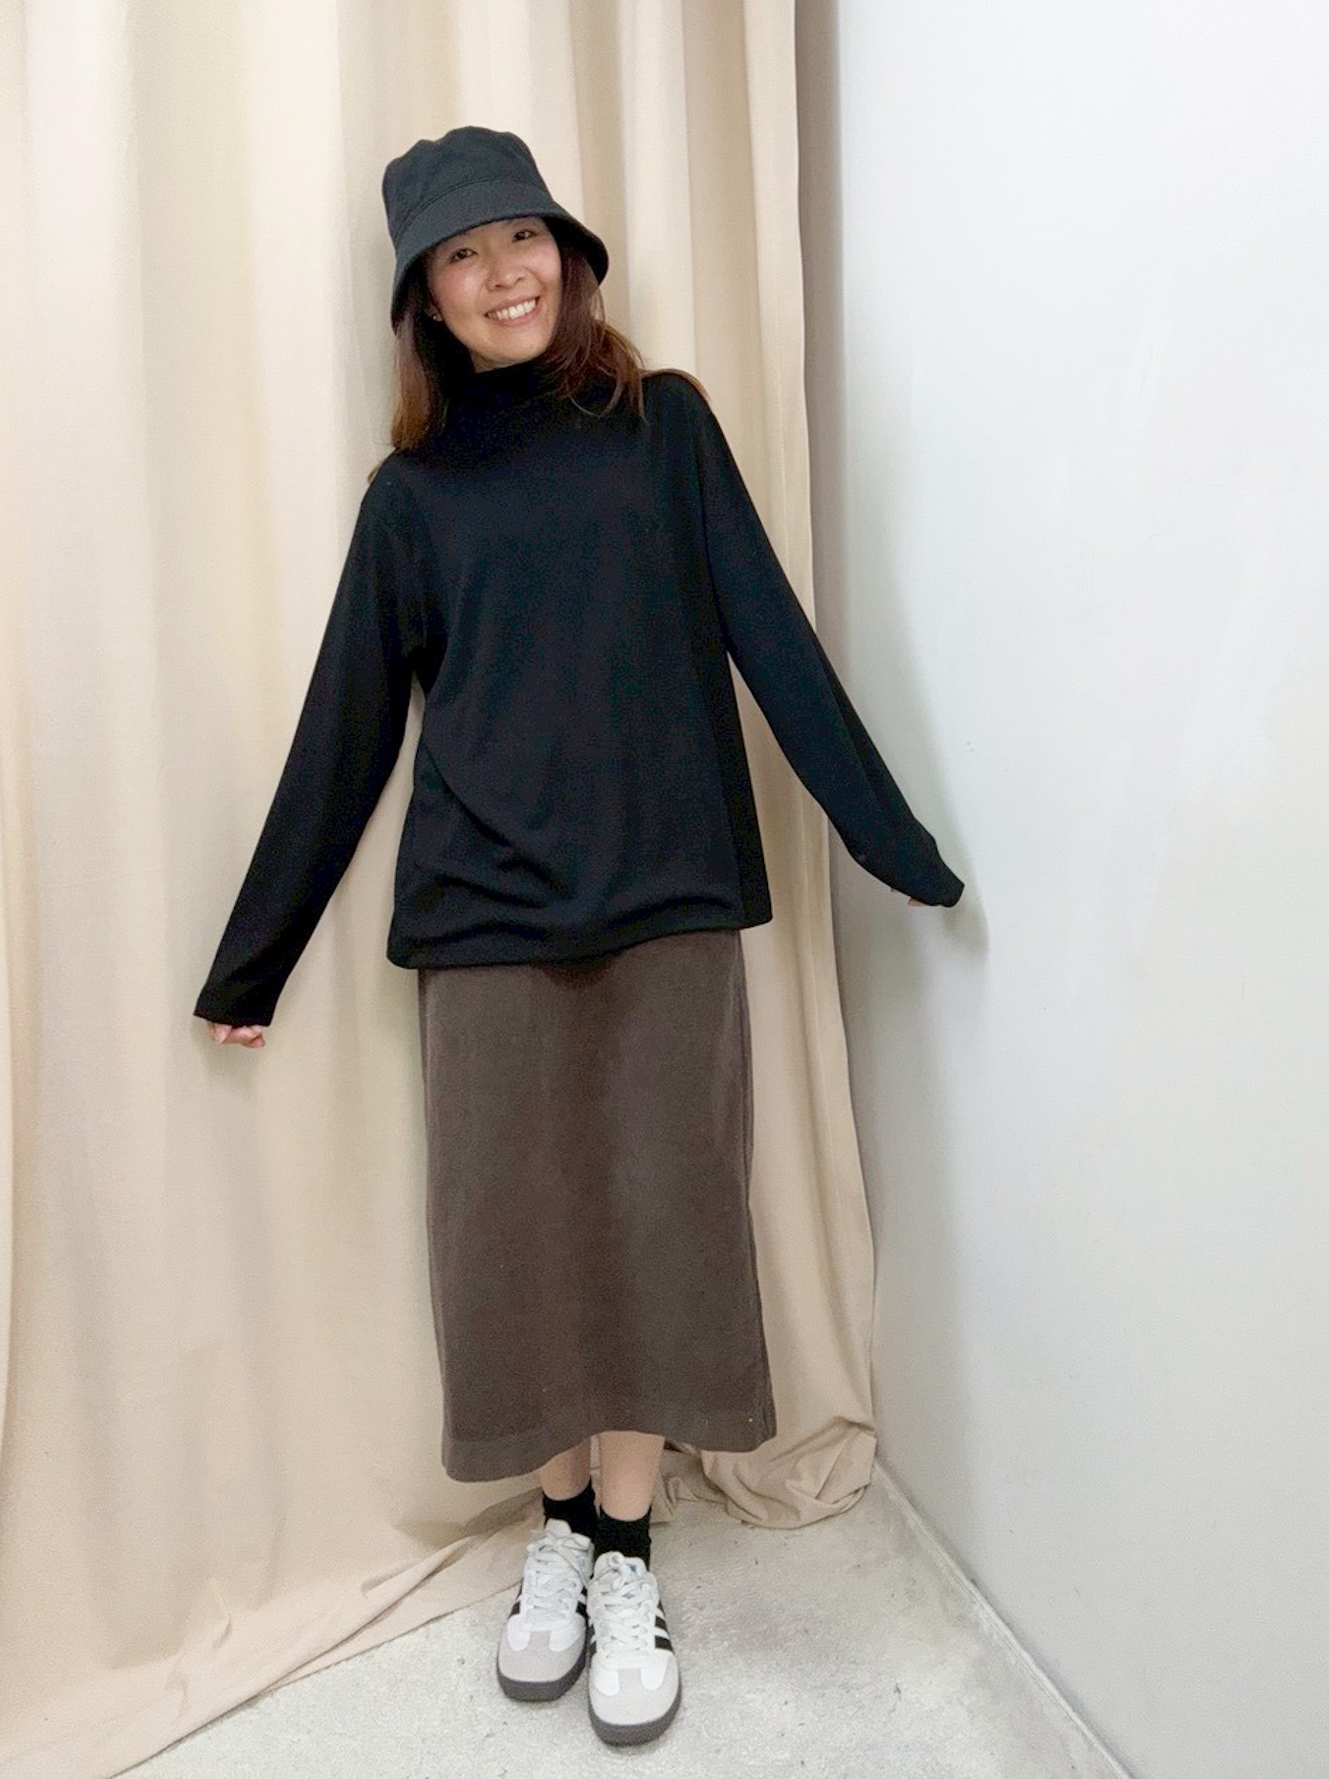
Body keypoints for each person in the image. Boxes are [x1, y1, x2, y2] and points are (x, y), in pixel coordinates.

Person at [194, 124, 964, 1747]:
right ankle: (558, 1533)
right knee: (512, 1248)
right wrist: (254, 956)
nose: (504, 274)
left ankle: (627, 1548)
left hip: (669, 899)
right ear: (426, 302)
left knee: (663, 1228)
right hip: (482, 922)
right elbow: (346, 730)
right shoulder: (412, 501)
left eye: (522, 239)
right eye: (463, 258)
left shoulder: (665, 428)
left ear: (569, 254)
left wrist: (885, 839)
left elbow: (771, 639)